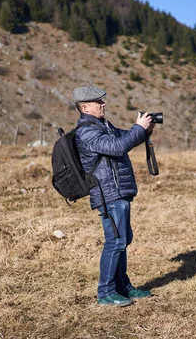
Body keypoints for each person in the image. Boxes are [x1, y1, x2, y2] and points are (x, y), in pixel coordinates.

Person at [72, 86, 155, 307]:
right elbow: (117, 147)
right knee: (115, 241)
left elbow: (126, 138)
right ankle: (106, 292)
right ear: (85, 107)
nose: (103, 104)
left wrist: (143, 130)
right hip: (108, 193)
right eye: (98, 102)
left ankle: (122, 286)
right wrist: (138, 128)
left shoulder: (102, 126)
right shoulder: (87, 131)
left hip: (118, 190)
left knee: (123, 239)